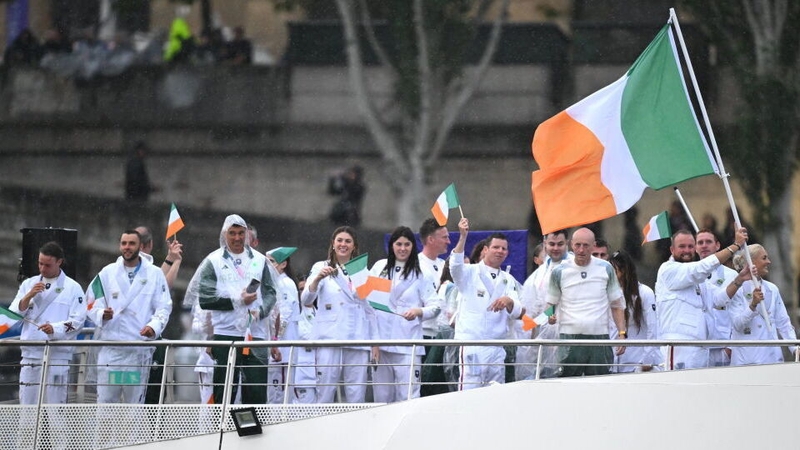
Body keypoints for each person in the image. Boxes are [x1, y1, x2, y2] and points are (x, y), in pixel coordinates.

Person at [184, 214, 277, 404]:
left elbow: (271, 293)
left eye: (241, 233)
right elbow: (205, 300)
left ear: (247, 235)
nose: (237, 238)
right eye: (232, 233)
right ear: (224, 235)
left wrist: (261, 311)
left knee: (256, 392)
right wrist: (236, 300)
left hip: (255, 334)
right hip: (225, 334)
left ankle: (255, 431)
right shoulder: (213, 261)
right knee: (224, 392)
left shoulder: (260, 260)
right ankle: (222, 430)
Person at [86, 230, 172, 403]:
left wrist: (153, 327)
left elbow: (164, 306)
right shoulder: (107, 272)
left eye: (131, 243)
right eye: (124, 243)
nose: (127, 247)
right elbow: (91, 301)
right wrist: (102, 313)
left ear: (140, 246)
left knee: (134, 404)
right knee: (106, 403)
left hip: (136, 351)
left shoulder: (154, 274)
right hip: (111, 352)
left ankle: (133, 432)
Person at [301, 226, 378, 403]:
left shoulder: (362, 271)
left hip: (357, 337)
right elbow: (306, 300)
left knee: (356, 393)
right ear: (333, 244)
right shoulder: (321, 267)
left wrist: (375, 342)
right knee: (325, 390)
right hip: (330, 336)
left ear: (354, 246)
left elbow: (370, 309)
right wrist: (317, 279)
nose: (343, 244)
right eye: (340, 240)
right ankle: (321, 429)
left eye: (348, 241)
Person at [655, 227, 747, 370]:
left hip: (701, 346)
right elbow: (700, 268)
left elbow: (718, 299)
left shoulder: (699, 279)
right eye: (682, 246)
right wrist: (735, 246)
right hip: (679, 346)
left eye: (690, 246)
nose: (687, 250)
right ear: (672, 250)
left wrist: (739, 280)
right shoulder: (668, 269)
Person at [449, 218, 523, 390]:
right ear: (485, 249)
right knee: (469, 393)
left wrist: (509, 301)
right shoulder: (469, 273)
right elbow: (455, 266)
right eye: (496, 247)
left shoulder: (508, 279)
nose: (500, 251)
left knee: (495, 395)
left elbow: (518, 311)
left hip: (496, 347)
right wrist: (462, 237)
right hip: (472, 345)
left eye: (504, 249)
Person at [10, 242, 86, 404]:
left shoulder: (73, 288)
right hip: (31, 353)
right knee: (27, 405)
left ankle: (56, 431)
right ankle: (27, 431)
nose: (43, 269)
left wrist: (55, 329)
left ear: (59, 262)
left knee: (55, 405)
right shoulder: (28, 284)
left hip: (58, 354)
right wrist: (29, 296)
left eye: (47, 265)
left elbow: (78, 321)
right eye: (40, 263)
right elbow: (13, 315)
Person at [370, 226, 440, 403]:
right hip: (382, 344)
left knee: (408, 396)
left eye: (407, 244)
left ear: (412, 246)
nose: (402, 248)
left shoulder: (421, 273)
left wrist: (418, 311)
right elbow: (369, 305)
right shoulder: (380, 267)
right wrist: (373, 343)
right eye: (398, 244)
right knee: (382, 399)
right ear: (392, 245)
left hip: (408, 344)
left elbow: (436, 306)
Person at [546, 228, 626, 377]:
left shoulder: (606, 268)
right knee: (567, 384)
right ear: (571, 245)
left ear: (593, 245)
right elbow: (550, 304)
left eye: (586, 245)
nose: (581, 250)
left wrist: (622, 333)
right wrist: (550, 317)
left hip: (599, 337)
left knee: (599, 384)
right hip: (569, 337)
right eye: (577, 245)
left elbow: (617, 305)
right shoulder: (559, 271)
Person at [135, 225, 184, 404]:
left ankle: (149, 429)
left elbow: (159, 283)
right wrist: (174, 261)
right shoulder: (116, 270)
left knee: (150, 394)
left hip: (146, 338)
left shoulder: (146, 269)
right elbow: (162, 283)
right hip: (128, 343)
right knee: (127, 393)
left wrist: (172, 260)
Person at [725, 244, 797, 365]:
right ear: (751, 262)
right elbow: (737, 324)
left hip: (772, 358)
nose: (768, 262)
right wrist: (752, 305)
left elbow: (784, 323)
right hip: (746, 360)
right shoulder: (736, 289)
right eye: (764, 258)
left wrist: (795, 348)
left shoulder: (772, 289)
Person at [519, 229, 568, 378]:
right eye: (552, 244)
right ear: (545, 244)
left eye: (560, 244)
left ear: (567, 244)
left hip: (567, 333)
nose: (555, 248)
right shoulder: (537, 275)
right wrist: (531, 335)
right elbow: (530, 310)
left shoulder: (574, 267)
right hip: (542, 338)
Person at [609, 250, 660, 373]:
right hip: (611, 363)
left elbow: (652, 327)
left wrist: (648, 359)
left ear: (625, 270)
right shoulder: (607, 293)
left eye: (614, 269)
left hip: (636, 362)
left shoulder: (644, 293)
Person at [265, 246, 302, 404]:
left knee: (278, 396)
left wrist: (275, 342)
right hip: (277, 349)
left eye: (271, 262)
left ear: (283, 264)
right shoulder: (274, 283)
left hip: (282, 351)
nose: (268, 265)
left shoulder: (285, 284)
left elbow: (284, 316)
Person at [417, 218, 450, 397]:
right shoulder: (415, 264)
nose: (448, 241)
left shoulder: (444, 265)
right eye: (444, 237)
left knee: (440, 390)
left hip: (441, 335)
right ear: (431, 239)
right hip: (423, 336)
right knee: (423, 387)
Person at [695, 228, 737, 367]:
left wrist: (731, 347)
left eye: (708, 241)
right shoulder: (690, 276)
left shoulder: (732, 276)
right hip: (698, 346)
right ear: (695, 248)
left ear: (717, 245)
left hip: (723, 346)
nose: (704, 245)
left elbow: (737, 310)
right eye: (700, 242)